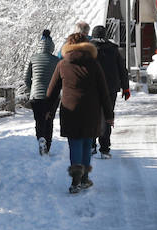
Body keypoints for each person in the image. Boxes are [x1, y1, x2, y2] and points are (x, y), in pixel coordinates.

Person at [45, 31, 113, 194]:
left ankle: (75, 180)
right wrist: (109, 115)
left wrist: (48, 110)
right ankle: (84, 179)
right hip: (91, 110)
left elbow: (52, 91)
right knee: (86, 143)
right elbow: (104, 91)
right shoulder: (94, 64)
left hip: (70, 110)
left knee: (74, 144)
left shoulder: (62, 64)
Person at [87, 25, 131, 157]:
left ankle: (91, 145)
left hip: (92, 89)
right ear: (106, 35)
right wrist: (126, 87)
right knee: (107, 116)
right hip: (110, 89)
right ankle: (105, 149)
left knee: (91, 116)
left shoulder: (87, 49)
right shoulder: (113, 49)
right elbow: (122, 69)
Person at [23, 29, 60, 155]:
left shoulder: (33, 58)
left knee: (39, 120)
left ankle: (41, 139)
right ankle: (47, 147)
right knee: (49, 120)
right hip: (52, 97)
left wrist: (32, 88)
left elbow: (26, 78)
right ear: (52, 47)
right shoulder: (57, 61)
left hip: (36, 96)